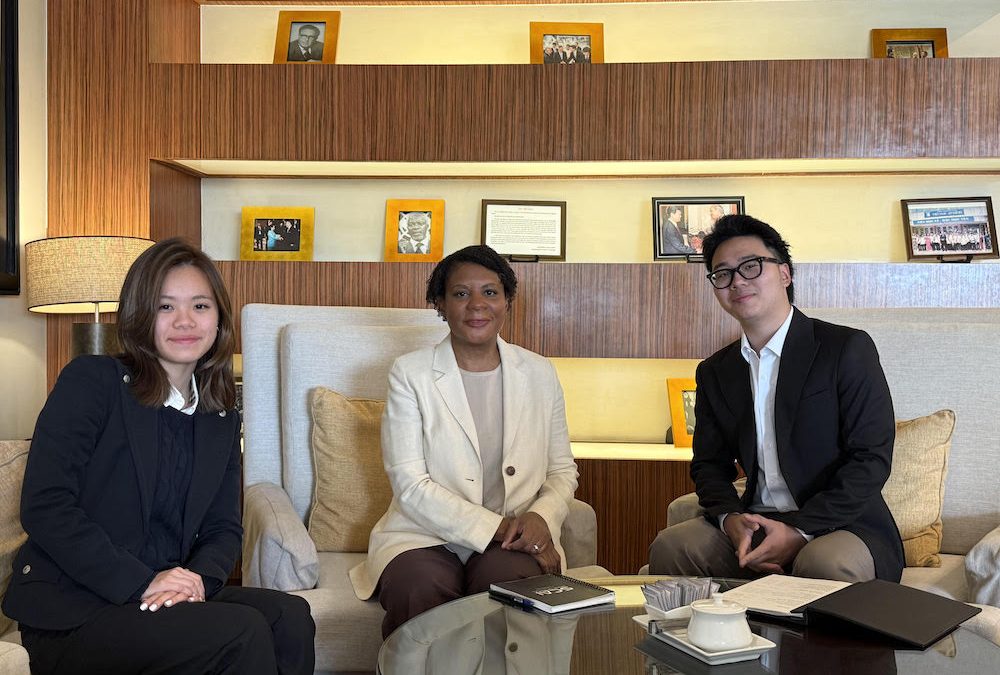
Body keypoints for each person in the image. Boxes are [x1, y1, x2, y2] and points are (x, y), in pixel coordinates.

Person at [3, 238, 316, 674]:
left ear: (219, 319)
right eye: (165, 307)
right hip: (76, 608)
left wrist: (197, 584)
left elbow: (223, 528)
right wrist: (143, 581)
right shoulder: (93, 382)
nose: (185, 321)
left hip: (161, 597)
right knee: (239, 630)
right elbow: (46, 506)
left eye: (200, 306)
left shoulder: (219, 415)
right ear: (139, 315)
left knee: (290, 618)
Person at [648, 214, 903, 584]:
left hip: (843, 525)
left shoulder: (845, 348)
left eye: (751, 266)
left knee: (822, 564)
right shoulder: (715, 372)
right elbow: (709, 465)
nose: (737, 281)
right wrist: (730, 519)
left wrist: (800, 530)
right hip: (759, 522)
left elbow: (871, 458)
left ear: (785, 273)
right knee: (674, 547)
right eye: (723, 274)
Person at [349, 245, 578, 638]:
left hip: (513, 540)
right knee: (418, 586)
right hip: (424, 533)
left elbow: (561, 470)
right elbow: (410, 485)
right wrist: (499, 527)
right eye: (460, 293)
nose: (477, 305)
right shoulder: (410, 374)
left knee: (512, 584)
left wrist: (542, 517)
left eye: (490, 292)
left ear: (507, 301)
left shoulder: (540, 372)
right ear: (439, 304)